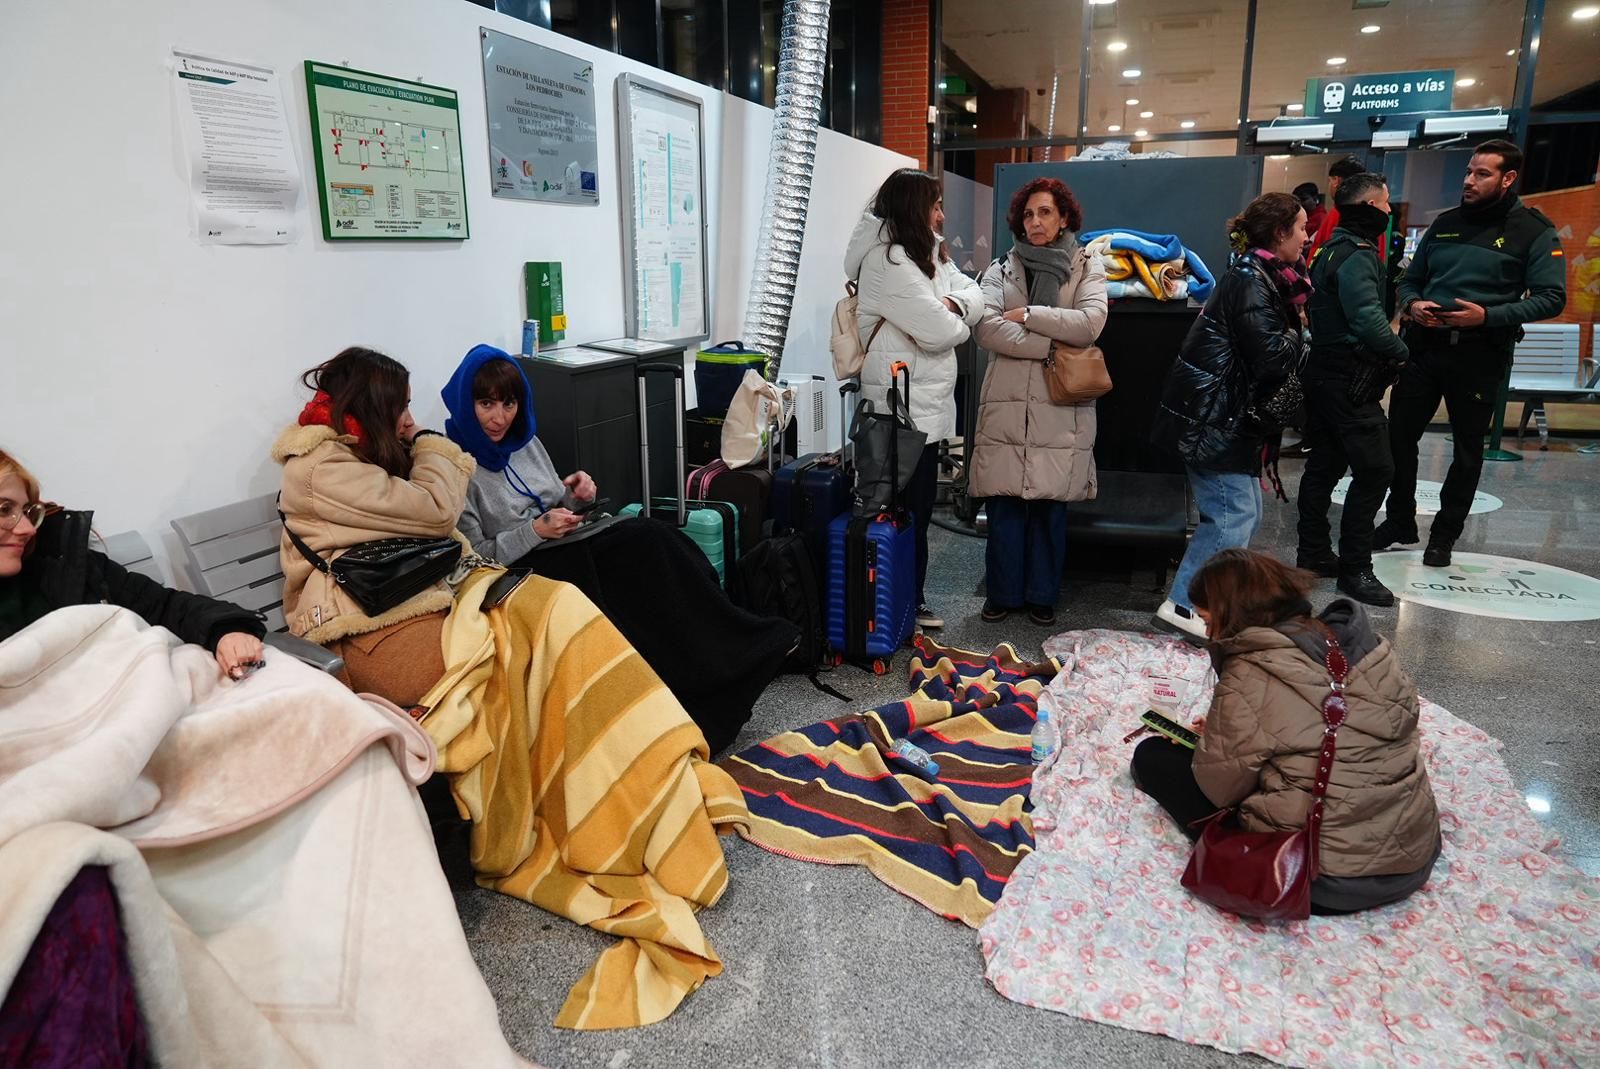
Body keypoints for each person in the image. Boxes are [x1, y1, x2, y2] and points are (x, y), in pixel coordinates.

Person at [441, 343, 797, 753]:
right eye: (486, 404)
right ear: (466, 404)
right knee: (639, 568)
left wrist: (575, 497)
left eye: (508, 403)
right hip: (527, 567)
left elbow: (554, 503)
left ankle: (738, 656)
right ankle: (727, 669)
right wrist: (536, 531)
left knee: (665, 544)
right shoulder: (456, 467)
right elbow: (479, 557)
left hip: (570, 542)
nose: (499, 417)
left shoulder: (524, 442)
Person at [1130, 549, 1441, 915]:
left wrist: (1211, 743)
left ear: (1230, 615)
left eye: (1205, 619)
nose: (1207, 632)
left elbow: (1219, 788)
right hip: (1411, 855)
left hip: (1321, 875)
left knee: (1152, 757)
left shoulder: (1255, 668)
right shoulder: (1364, 647)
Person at [1376, 139, 1567, 567]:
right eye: (1468, 171)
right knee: (1399, 438)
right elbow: (1410, 280)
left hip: (1481, 354)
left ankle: (1444, 535)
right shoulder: (1444, 223)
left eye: (1482, 174)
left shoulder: (1534, 231)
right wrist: (1412, 304)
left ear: (1508, 178)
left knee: (1466, 449)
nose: (1469, 180)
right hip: (1423, 349)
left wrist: (1488, 316)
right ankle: (1399, 521)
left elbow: (1551, 298)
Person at [272, 347, 473, 707]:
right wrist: (431, 443)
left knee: (542, 625)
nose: (409, 420)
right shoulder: (325, 467)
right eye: (401, 407)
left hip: (391, 596)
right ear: (373, 407)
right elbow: (437, 511)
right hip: (353, 623)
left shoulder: (356, 450)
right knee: (489, 665)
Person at [1151, 193, 1310, 641]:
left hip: (1222, 418)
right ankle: (1185, 604)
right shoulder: (1252, 280)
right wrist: (1304, 335)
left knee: (1243, 512)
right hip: (1213, 421)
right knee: (1230, 516)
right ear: (1279, 233)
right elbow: (1273, 357)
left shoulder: (1261, 276)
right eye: (1300, 227)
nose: (1306, 236)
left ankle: (1210, 604)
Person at [843, 168, 984, 630]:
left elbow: (973, 292)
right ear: (912, 208)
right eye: (935, 204)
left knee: (917, 513)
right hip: (896, 412)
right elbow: (943, 332)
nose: (942, 214)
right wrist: (955, 316)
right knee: (901, 513)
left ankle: (905, 602)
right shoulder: (888, 261)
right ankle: (893, 607)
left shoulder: (929, 256)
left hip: (920, 408)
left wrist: (953, 305)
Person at [971, 177, 1108, 626]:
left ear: (1063, 216)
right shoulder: (1001, 268)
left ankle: (1042, 595)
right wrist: (1049, 343)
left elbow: (1089, 324)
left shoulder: (1087, 266)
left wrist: (1030, 316)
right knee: (1004, 503)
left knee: (1050, 507)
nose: (1035, 222)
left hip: (1060, 404)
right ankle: (1003, 593)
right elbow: (987, 328)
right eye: (1028, 214)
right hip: (1007, 403)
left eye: (1045, 212)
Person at [0, 448, 264, 677]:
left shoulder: (61, 561)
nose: (27, 529)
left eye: (25, 511)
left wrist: (226, 630)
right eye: (4, 510)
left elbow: (164, 605)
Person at [1296, 172, 1410, 608]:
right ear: (1366, 207)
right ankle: (1355, 568)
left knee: (1324, 465)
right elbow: (1366, 318)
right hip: (1350, 377)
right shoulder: (1359, 255)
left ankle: (1313, 552)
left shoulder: (1328, 248)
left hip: (1323, 373)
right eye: (1383, 204)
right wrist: (1400, 352)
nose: (1387, 212)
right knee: (1377, 470)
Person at [1308, 156, 1371, 259]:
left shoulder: (1339, 213)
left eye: (1330, 180)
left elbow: (1325, 254)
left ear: (1336, 181)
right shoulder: (1372, 216)